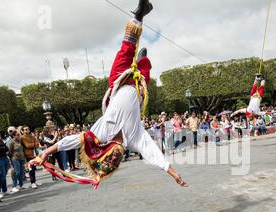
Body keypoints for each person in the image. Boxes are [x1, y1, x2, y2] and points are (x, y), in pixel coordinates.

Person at [39, 0, 187, 188]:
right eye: (118, 158)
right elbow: (153, 154)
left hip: (117, 84)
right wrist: (174, 174)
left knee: (125, 51)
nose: (117, 154)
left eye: (113, 156)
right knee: (145, 69)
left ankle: (139, 16)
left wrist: (46, 152)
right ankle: (143, 60)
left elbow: (71, 141)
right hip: (137, 87)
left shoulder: (102, 133)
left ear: (107, 149)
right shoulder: (133, 140)